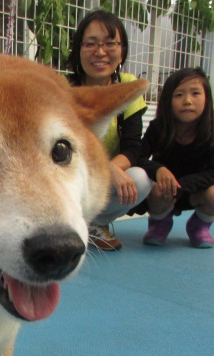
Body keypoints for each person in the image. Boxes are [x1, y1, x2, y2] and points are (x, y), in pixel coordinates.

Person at [67, 9, 151, 251]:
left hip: (102, 177)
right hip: (70, 173)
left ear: (122, 48)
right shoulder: (63, 88)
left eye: (109, 43)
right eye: (91, 44)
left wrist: (111, 168)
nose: (100, 52)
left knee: (140, 180)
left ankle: (94, 223)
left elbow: (134, 146)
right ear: (78, 49)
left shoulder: (127, 86)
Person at [135, 67, 214, 248]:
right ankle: (160, 223)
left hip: (194, 191)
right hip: (164, 193)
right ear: (168, 100)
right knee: (156, 191)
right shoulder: (159, 127)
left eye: (195, 93)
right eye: (178, 95)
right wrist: (158, 170)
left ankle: (199, 226)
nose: (187, 101)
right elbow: (138, 157)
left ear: (207, 98)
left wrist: (182, 186)